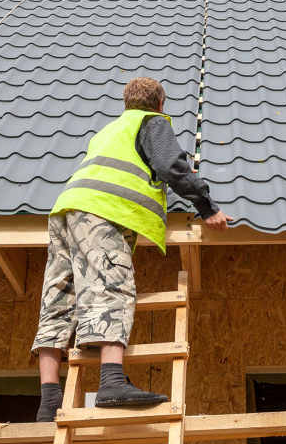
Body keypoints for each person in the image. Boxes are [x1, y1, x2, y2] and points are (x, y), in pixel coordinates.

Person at [31, 77, 233, 422]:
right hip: (103, 212)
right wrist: (207, 206)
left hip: (66, 209)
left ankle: (49, 403)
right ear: (160, 103)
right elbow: (171, 166)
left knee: (59, 299)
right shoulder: (151, 122)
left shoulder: (108, 131)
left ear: (126, 103)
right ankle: (111, 382)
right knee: (113, 286)